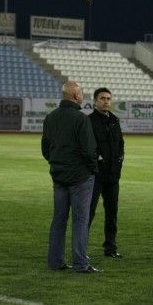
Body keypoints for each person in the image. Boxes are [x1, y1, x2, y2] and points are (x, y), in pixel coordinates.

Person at [41, 80, 102, 273]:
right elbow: (89, 150)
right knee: (80, 220)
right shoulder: (80, 119)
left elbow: (46, 148)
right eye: (81, 93)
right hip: (80, 177)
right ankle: (80, 264)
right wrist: (92, 168)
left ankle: (55, 261)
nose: (82, 96)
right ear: (76, 96)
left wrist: (57, 164)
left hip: (59, 176)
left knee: (59, 219)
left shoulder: (50, 118)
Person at [88, 87, 125, 258]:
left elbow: (120, 144)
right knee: (88, 213)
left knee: (112, 214)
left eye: (108, 98)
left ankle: (110, 248)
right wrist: (98, 159)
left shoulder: (115, 120)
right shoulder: (88, 121)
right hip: (95, 176)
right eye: (102, 98)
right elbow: (88, 146)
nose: (106, 101)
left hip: (113, 176)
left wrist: (120, 159)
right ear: (95, 101)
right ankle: (81, 249)